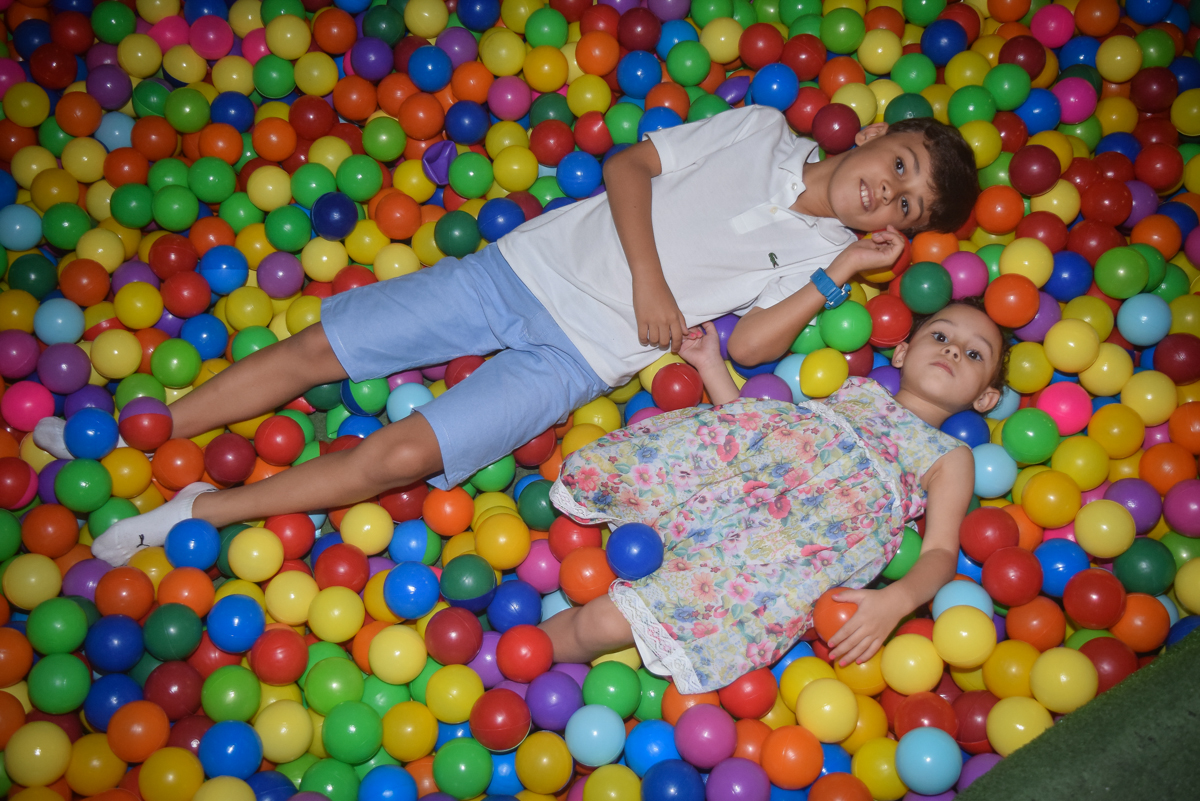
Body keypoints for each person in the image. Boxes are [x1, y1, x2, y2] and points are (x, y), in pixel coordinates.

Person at [34, 103, 980, 566]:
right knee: (324, 348)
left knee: (398, 454)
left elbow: (758, 348)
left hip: (582, 358)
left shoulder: (820, 252)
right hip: (518, 271)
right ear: (876, 135)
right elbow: (626, 166)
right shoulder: (762, 130)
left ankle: (197, 509)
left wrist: (836, 274)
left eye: (906, 204)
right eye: (897, 166)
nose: (887, 192)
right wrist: (650, 277)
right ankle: (130, 435)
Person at [539, 297, 1010, 693]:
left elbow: (943, 551)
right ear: (903, 352)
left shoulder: (949, 456)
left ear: (986, 399)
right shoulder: (852, 392)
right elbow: (755, 435)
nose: (953, 352)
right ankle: (514, 652)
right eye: (942, 337)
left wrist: (898, 601)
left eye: (974, 355)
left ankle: (522, 657)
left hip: (769, 559)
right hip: (712, 495)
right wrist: (709, 364)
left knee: (604, 624)